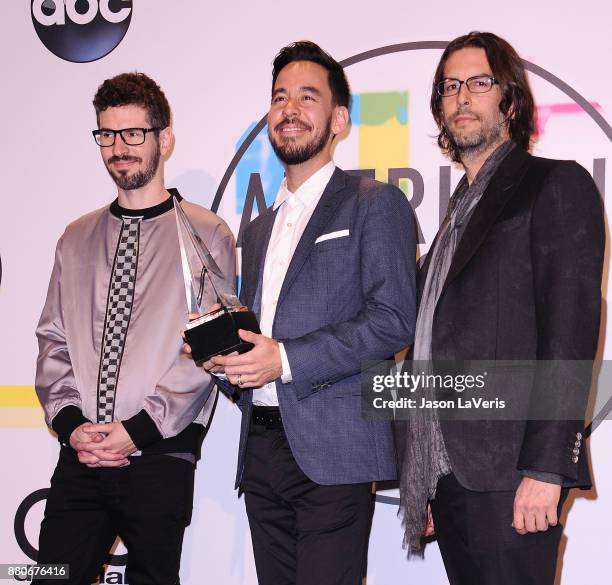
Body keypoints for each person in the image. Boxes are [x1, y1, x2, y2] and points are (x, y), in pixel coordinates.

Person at [201, 41, 416, 584]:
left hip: (335, 446)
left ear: (339, 119)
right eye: (279, 98)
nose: (289, 109)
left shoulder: (375, 202)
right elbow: (263, 342)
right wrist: (226, 361)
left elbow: (394, 319)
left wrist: (287, 361)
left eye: (307, 97)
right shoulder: (257, 227)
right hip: (261, 448)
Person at [395, 31, 604, 585]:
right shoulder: (453, 219)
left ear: (510, 101)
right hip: (453, 477)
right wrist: (428, 475)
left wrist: (546, 468)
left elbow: (570, 331)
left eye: (479, 83)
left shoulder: (553, 185)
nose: (462, 97)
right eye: (450, 86)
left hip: (514, 472)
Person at [34, 72, 235, 585]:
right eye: (106, 134)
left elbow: (206, 351)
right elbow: (53, 340)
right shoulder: (75, 238)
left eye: (133, 134)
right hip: (80, 454)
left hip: (159, 457)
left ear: (163, 139)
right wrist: (74, 426)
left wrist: (135, 432)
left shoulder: (206, 234)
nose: (118, 148)